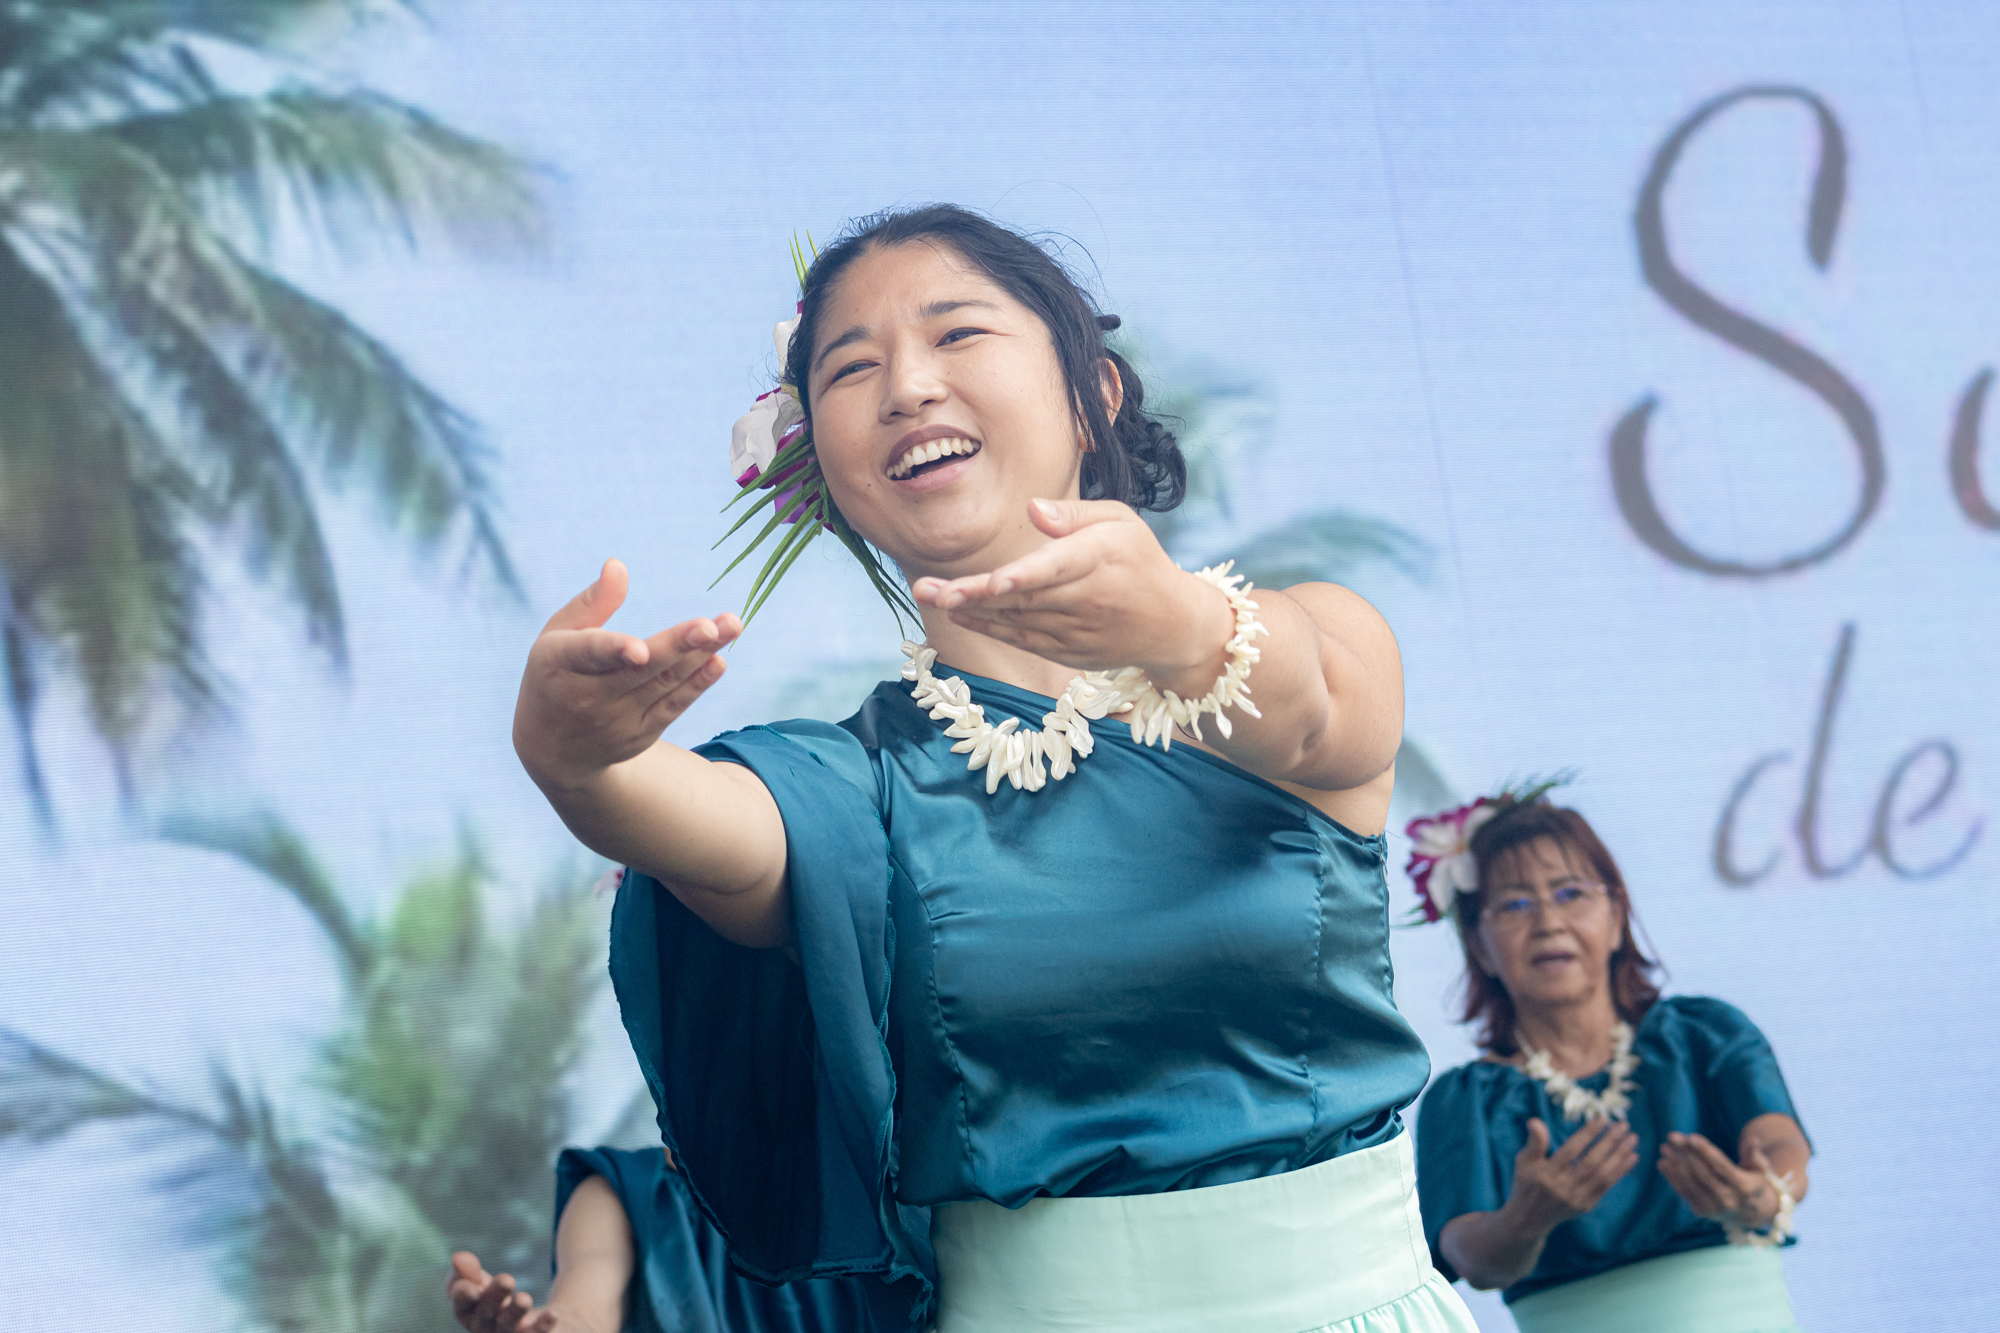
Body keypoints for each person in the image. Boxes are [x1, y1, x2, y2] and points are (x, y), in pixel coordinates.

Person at [452, 202, 1479, 1332]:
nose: (906, 386)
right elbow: (697, 818)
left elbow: (1315, 713)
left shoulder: (1314, 634)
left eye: (957, 333)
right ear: (822, 466)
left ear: (1093, 394)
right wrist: (577, 765)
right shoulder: (854, 782)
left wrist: (1182, 628)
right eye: (852, 368)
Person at [1406, 791, 1812, 1333]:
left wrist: (1761, 1194)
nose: (1549, 922)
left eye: (1570, 893)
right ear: (1479, 947)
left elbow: (1782, 1145)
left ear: (1617, 918)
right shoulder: (1466, 1103)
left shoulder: (1705, 1036)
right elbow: (1471, 1259)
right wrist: (1522, 1223)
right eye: (1515, 904)